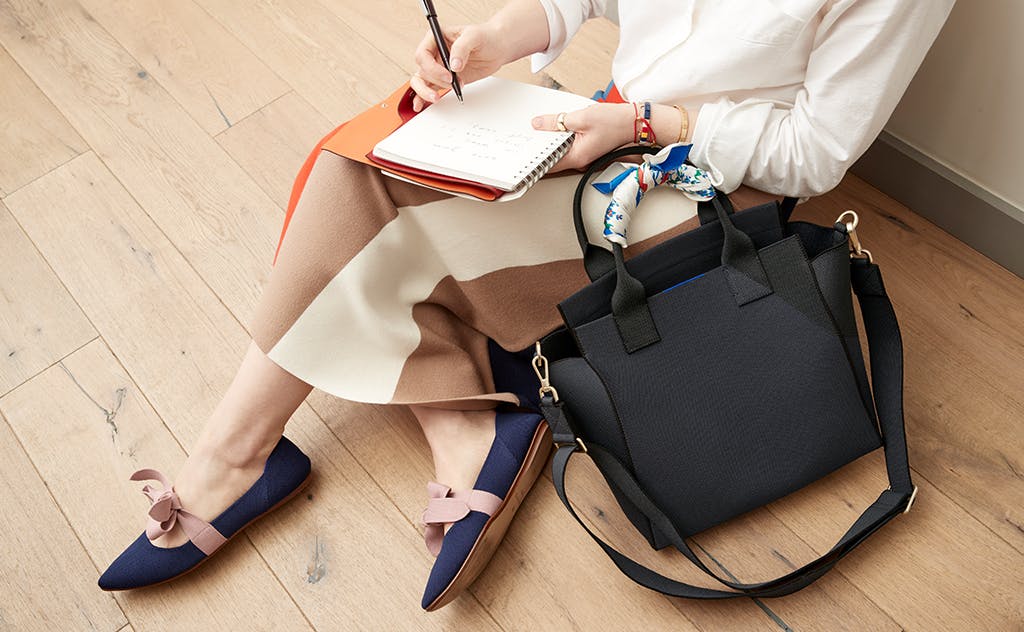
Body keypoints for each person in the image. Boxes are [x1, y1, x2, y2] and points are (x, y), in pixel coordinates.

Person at [98, 0, 954, 612]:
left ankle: (242, 460)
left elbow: (813, 154)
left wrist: (641, 124)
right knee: (361, 157)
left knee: (361, 198)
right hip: (601, 127)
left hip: (700, 188)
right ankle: (450, 432)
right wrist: (491, 41)